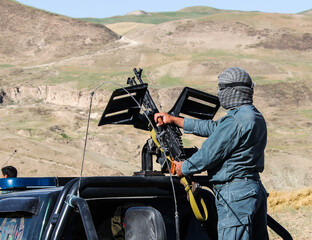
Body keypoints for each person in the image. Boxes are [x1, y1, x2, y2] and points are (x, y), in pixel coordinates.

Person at [154, 67, 268, 239]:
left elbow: (210, 154)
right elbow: (214, 128)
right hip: (251, 188)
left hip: (235, 193)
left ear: (233, 91)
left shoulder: (236, 121)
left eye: (222, 89)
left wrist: (184, 167)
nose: (219, 93)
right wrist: (176, 121)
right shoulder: (252, 115)